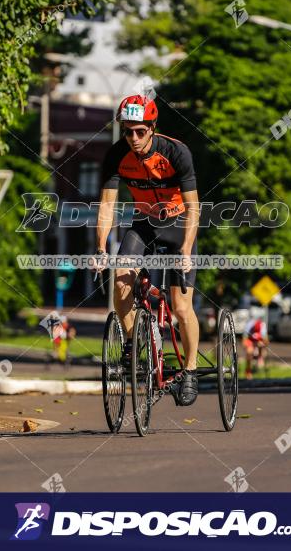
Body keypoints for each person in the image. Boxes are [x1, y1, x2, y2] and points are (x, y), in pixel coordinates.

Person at [93, 94, 201, 406]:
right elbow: (107, 207)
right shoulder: (116, 156)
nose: (135, 138)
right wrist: (100, 249)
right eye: (128, 131)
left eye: (141, 131)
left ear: (152, 128)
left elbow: (194, 207)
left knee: (181, 307)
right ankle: (132, 343)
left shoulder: (176, 152)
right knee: (122, 280)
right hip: (144, 223)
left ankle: (190, 371)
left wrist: (186, 250)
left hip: (180, 222)